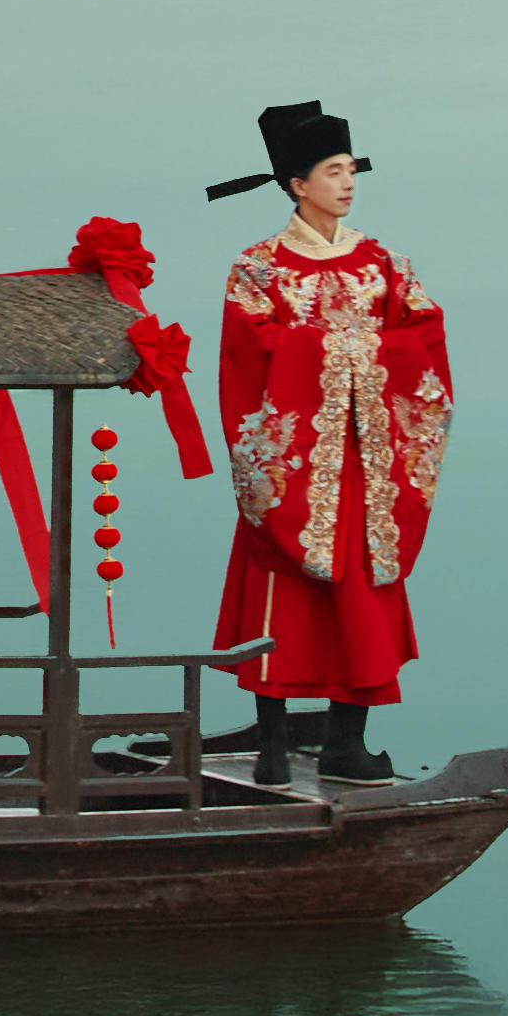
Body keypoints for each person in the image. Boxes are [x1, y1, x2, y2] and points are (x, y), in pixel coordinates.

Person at [200, 97, 453, 781]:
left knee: (362, 588)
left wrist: (337, 355)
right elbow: (248, 356)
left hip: (367, 462)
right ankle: (273, 746)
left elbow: (425, 342)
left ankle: (346, 743)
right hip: (297, 460)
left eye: (351, 171)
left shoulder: (386, 266)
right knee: (281, 578)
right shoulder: (258, 271)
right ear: (296, 184)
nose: (346, 184)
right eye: (333, 171)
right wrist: (357, 351)